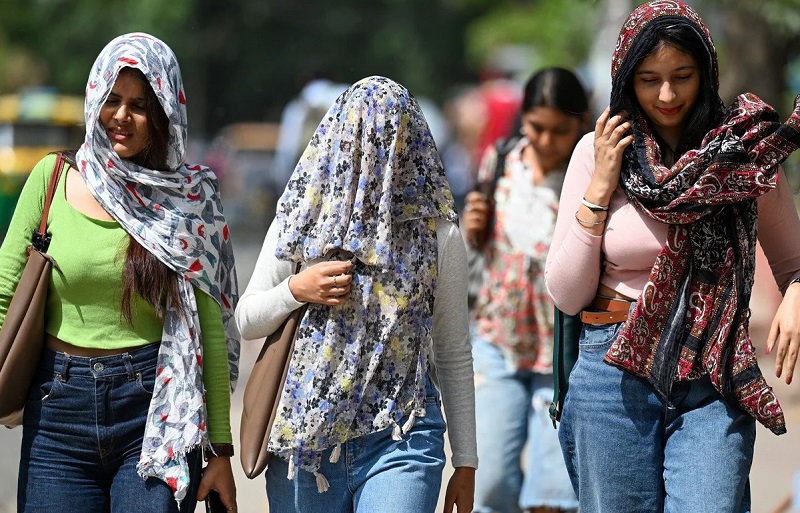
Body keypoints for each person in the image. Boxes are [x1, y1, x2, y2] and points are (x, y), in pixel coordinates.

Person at [544, 2, 800, 512]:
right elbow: (567, 294)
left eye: (682, 76)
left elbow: (794, 263)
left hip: (712, 371)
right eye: (649, 80)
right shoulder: (598, 152)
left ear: (706, 73)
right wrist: (600, 186)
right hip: (611, 375)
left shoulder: (743, 153)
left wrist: (796, 295)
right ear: (626, 80)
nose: (667, 95)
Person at [0, 33, 240, 512]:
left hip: (156, 413)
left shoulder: (190, 200)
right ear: (94, 100)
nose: (121, 116)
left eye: (140, 105)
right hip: (56, 415)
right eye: (112, 100)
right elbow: (4, 292)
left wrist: (219, 451)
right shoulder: (52, 178)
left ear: (164, 113)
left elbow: (207, 331)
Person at [234, 75, 477, 513]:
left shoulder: (438, 234)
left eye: (389, 140)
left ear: (412, 144)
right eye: (364, 139)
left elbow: (453, 350)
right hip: (304, 446)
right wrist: (296, 290)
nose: (376, 155)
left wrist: (466, 461)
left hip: (401, 436)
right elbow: (247, 320)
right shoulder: (300, 218)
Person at [463, 67, 589, 513]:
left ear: (581, 124)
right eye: (536, 127)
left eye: (560, 130)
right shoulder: (500, 160)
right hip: (498, 341)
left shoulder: (591, 176)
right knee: (489, 483)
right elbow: (479, 250)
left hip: (564, 352)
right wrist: (472, 229)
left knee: (554, 497)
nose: (547, 140)